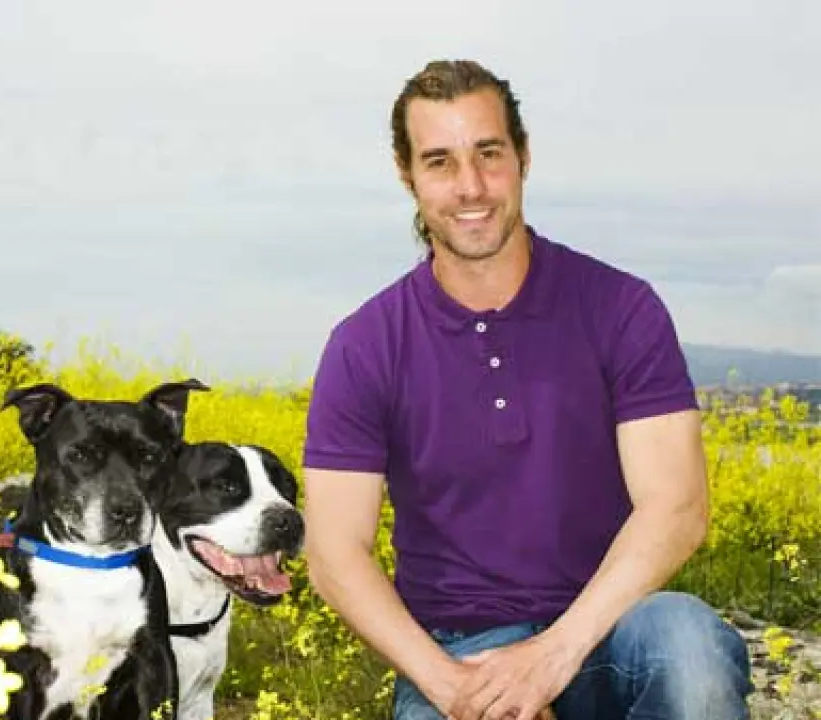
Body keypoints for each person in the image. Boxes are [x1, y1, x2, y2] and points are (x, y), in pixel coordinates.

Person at [300, 59, 752, 720]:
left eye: (489, 153)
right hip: (457, 660)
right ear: (407, 174)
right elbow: (335, 554)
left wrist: (551, 657)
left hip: (606, 630)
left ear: (523, 156)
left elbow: (677, 506)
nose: (471, 186)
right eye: (440, 162)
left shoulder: (619, 308)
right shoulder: (364, 345)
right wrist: (458, 691)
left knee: (690, 647)